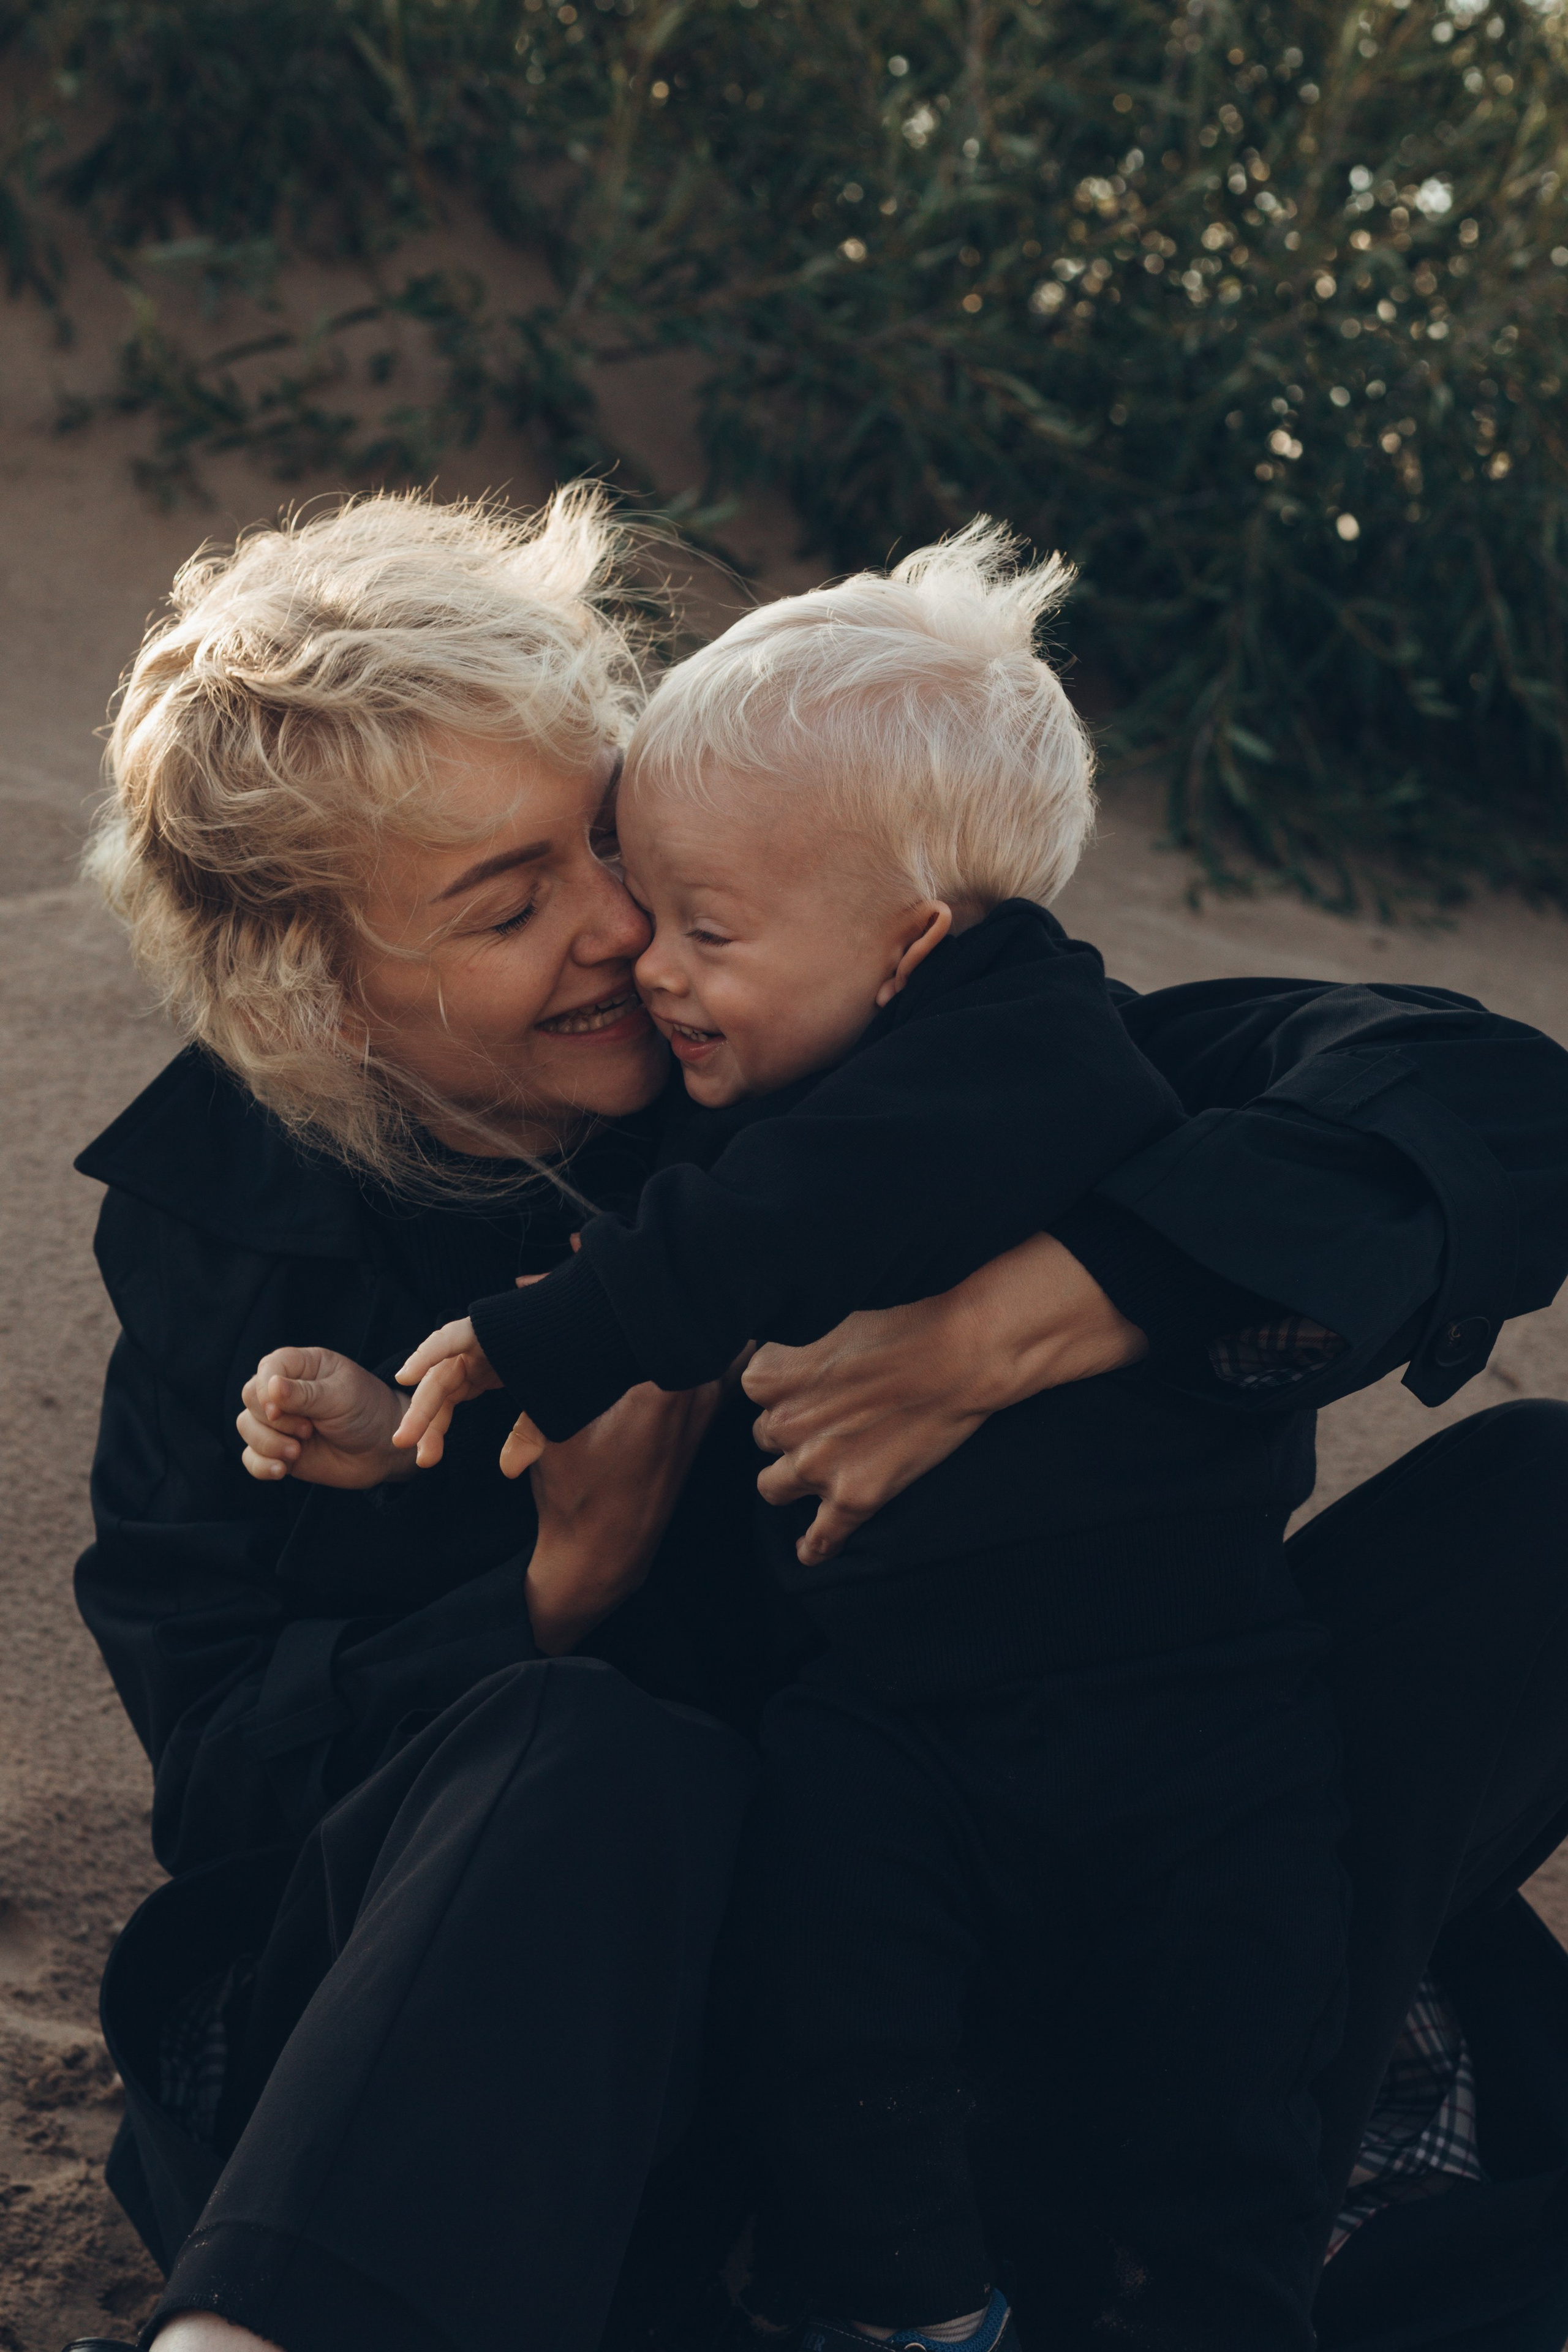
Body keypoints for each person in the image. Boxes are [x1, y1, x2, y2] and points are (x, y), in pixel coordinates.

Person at [64, 485, 1568, 2352]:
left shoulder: (830, 1033)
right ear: (316, 991)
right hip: (556, 2053)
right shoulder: (231, 1235)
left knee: (1537, 1508)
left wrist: (1053, 1307)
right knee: (586, 1749)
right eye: (511, 904)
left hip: (1042, 1911)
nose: (624, 931)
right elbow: (223, 1785)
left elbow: (1490, 1104)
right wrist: (559, 1586)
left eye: (607, 837)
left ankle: (1184, 2211)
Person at [387, 526, 1350, 2352]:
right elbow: (696, 1222)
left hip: (1184, 1709)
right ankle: (907, 2315)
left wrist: (544, 1339)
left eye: (710, 929)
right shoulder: (776, 1075)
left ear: (913, 944)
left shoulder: (1028, 1051)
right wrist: (414, 1402)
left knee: (1219, 2088)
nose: (652, 969)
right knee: (836, 2016)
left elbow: (775, 1225)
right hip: (901, 1707)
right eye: (650, 908)